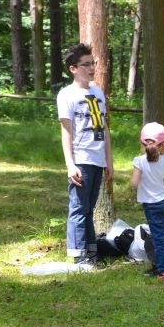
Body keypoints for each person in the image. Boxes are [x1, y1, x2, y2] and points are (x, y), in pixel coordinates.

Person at [56, 42, 113, 266]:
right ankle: (78, 256)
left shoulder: (97, 92)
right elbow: (66, 131)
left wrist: (109, 160)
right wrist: (70, 164)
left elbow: (105, 128)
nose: (91, 68)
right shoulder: (67, 95)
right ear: (73, 68)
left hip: (98, 159)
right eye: (86, 65)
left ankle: (91, 254)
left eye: (93, 63)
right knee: (79, 209)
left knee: (89, 209)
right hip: (81, 158)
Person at [130, 122, 164, 282]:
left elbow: (134, 183)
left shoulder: (139, 161)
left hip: (152, 205)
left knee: (158, 239)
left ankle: (163, 272)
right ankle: (163, 264)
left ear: (143, 144)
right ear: (163, 145)